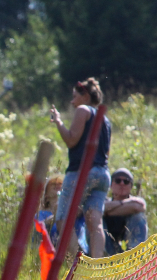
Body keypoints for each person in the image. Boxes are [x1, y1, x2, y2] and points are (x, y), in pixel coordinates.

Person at [50, 78, 112, 259]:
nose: (72, 101)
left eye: (75, 96)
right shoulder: (105, 120)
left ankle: (80, 264)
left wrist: (58, 122)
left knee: (63, 220)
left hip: (81, 172)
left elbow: (71, 140)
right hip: (102, 173)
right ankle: (97, 265)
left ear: (85, 95)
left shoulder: (83, 110)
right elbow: (105, 151)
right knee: (95, 222)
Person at [102, 167, 147, 255]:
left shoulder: (137, 201)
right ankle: (103, 256)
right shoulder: (105, 201)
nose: (122, 183)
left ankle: (135, 255)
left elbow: (139, 207)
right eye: (118, 180)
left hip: (128, 239)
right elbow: (99, 209)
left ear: (131, 186)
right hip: (108, 242)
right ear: (111, 185)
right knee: (95, 218)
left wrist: (108, 212)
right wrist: (124, 205)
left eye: (126, 181)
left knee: (138, 216)